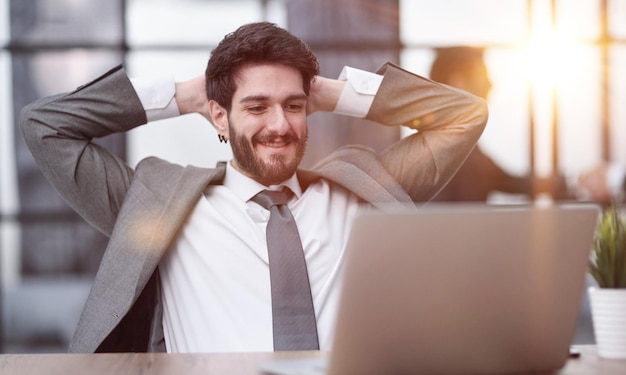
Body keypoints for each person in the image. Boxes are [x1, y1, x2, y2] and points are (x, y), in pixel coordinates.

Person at [20, 22, 487, 353]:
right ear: (219, 115)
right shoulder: (156, 203)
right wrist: (187, 95)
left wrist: (335, 93)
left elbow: (465, 115)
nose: (280, 125)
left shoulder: (361, 189)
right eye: (257, 107)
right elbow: (45, 125)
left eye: (294, 105)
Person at [428, 46, 567, 202]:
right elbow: (510, 182)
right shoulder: (456, 153)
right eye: (483, 75)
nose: (490, 84)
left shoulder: (460, 148)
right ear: (458, 82)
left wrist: (564, 182)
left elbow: (510, 182)